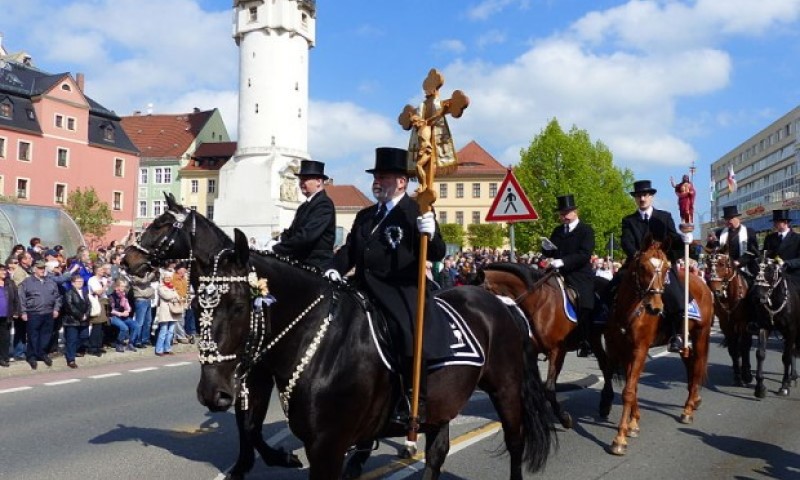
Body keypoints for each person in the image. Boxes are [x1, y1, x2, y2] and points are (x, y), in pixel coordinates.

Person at [325, 147, 448, 423]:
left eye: (384, 177)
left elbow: (436, 252)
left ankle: (414, 395)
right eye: (376, 177)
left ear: (401, 182)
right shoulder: (367, 215)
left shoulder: (416, 210)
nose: (377, 182)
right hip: (363, 286)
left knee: (406, 332)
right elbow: (350, 250)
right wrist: (334, 269)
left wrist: (431, 231)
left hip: (401, 288)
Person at [620, 180, 690, 353]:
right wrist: (637, 256)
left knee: (676, 296)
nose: (642, 198)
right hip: (637, 265)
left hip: (660, 266)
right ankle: (611, 328)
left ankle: (676, 334)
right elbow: (626, 241)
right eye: (638, 196)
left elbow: (672, 239)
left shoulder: (664, 217)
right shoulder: (629, 220)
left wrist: (684, 238)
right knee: (611, 289)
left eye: (645, 195)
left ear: (651, 197)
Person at [543, 194, 596, 357]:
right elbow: (551, 250)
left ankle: (585, 338)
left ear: (575, 211)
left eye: (566, 212)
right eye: (561, 213)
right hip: (557, 272)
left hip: (579, 273)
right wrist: (546, 248)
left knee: (584, 300)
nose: (563, 216)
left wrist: (563, 261)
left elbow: (584, 254)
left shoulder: (586, 230)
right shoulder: (558, 231)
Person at [269, 160, 336, 270]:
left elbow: (306, 237)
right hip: (302, 264)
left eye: (305, 179)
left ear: (319, 181)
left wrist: (275, 249)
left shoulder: (324, 204)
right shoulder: (304, 206)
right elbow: (292, 232)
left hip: (316, 266)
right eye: (301, 179)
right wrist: (274, 240)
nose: (301, 183)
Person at [18, 260, 62, 369]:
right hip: (34, 313)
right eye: (40, 268)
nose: (43, 270)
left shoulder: (50, 281)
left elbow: (58, 297)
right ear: (34, 270)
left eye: (44, 268)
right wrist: (23, 312)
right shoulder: (27, 282)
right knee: (33, 336)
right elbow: (21, 298)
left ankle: (42, 353)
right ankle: (32, 356)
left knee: (46, 335)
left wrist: (56, 309)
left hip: (48, 313)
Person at [715, 205, 760, 279]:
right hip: (726, 268)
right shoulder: (720, 233)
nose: (728, 221)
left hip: (745, 267)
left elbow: (753, 252)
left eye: (730, 219)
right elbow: (716, 249)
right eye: (726, 219)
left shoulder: (749, 232)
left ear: (737, 218)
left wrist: (739, 262)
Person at [762, 209, 800, 283]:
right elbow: (765, 254)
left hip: (792, 276)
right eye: (774, 222)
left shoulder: (797, 238)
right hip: (773, 276)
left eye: (777, 222)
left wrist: (786, 263)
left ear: (785, 222)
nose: (774, 224)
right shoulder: (769, 238)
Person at [61, 274, 91, 368]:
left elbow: (89, 304)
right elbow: (70, 306)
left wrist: (86, 314)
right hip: (72, 320)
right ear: (73, 283)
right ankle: (71, 359)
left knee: (84, 336)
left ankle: (75, 350)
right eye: (78, 282)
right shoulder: (69, 292)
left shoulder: (85, 292)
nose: (80, 284)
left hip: (84, 319)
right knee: (72, 340)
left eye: (82, 282)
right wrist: (80, 315)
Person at [154, 272, 182, 356]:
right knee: (163, 330)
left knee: (171, 332)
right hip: (165, 311)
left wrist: (174, 296)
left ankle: (167, 348)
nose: (168, 279)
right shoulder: (160, 287)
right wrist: (174, 296)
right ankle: (159, 350)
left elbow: (178, 296)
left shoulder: (172, 286)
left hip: (173, 311)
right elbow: (166, 296)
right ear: (163, 278)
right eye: (166, 277)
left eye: (169, 277)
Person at [0, 263, 21, 367]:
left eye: (5, 270)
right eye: (2, 270)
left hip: (6, 315)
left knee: (5, 338)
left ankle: (4, 358)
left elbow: (16, 299)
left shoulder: (10, 283)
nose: (4, 272)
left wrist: (16, 311)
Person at [130, 269, 157, 348]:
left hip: (148, 300)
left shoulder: (146, 276)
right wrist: (153, 272)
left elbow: (152, 279)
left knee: (148, 321)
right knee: (140, 322)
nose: (144, 272)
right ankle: (136, 340)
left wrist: (153, 270)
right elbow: (144, 281)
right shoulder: (134, 278)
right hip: (140, 301)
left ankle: (145, 339)